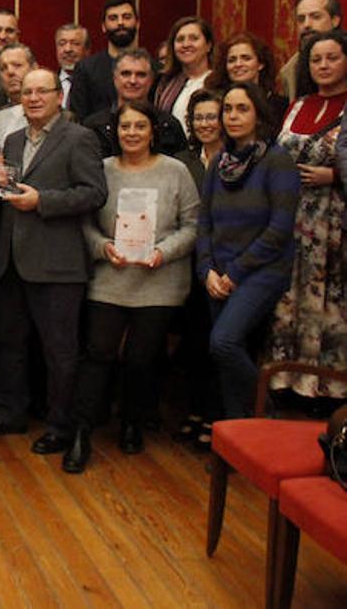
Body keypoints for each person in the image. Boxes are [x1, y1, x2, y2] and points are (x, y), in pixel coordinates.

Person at [0, 68, 107, 455]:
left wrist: (43, 201)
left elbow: (94, 193)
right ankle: (10, 412)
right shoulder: (12, 141)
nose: (33, 98)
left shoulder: (79, 138)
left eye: (41, 92)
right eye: (27, 93)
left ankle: (61, 425)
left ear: (57, 97)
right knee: (9, 343)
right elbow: (9, 193)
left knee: (59, 350)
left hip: (58, 264)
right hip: (12, 260)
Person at [64, 100, 200, 473]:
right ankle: (81, 431)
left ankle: (132, 422)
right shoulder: (102, 170)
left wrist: (162, 252)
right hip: (111, 276)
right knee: (98, 353)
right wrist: (102, 248)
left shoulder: (176, 172)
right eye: (125, 127)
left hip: (160, 280)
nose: (132, 133)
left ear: (153, 131)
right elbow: (86, 224)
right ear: (115, 132)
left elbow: (192, 225)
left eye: (140, 126)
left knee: (142, 357)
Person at [197, 82, 299, 419]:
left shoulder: (277, 161)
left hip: (262, 271)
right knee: (226, 359)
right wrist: (207, 269)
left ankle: (270, 417)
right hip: (220, 273)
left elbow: (279, 230)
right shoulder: (219, 163)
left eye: (242, 109)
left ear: (258, 114)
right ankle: (237, 438)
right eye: (228, 109)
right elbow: (205, 224)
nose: (233, 116)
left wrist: (234, 273)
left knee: (223, 342)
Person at [267, 30, 347, 400]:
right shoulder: (298, 105)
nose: (323, 66)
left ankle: (328, 386)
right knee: (289, 297)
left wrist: (334, 176)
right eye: (316, 59)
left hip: (334, 223)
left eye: (332, 57)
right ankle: (286, 380)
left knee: (329, 302)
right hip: (290, 218)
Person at [174, 89, 226, 447]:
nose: (206, 123)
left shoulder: (241, 159)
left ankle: (218, 416)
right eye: (199, 118)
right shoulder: (182, 161)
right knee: (194, 342)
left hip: (227, 267)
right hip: (187, 265)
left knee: (221, 343)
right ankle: (196, 409)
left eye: (212, 116)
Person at [82, 48, 186, 158]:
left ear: (151, 79)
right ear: (115, 78)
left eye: (141, 75)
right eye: (126, 74)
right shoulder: (93, 127)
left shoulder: (169, 125)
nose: (133, 81)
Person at [68, 0, 140, 120]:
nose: (120, 23)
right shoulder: (86, 69)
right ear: (103, 26)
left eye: (126, 17)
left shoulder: (153, 68)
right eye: (113, 18)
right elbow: (77, 118)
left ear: (137, 23)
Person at [207, 32, 287, 129]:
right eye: (232, 60)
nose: (238, 64)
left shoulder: (280, 105)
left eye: (246, 58)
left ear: (261, 64)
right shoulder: (215, 102)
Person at [153, 16, 215, 137]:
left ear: (208, 45)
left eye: (194, 38)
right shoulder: (164, 83)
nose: (186, 44)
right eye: (180, 40)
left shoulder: (219, 82)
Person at [279, 0, 340, 101]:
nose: (306, 25)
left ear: (335, 21)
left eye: (316, 17)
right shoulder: (290, 70)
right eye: (301, 19)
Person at [0, 43, 35, 146]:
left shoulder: (55, 113)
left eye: (17, 65)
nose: (10, 72)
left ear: (34, 68)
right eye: (3, 68)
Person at [55, 22, 90, 110]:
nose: (68, 49)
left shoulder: (95, 83)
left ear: (87, 50)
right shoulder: (49, 82)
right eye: (62, 44)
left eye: (75, 43)